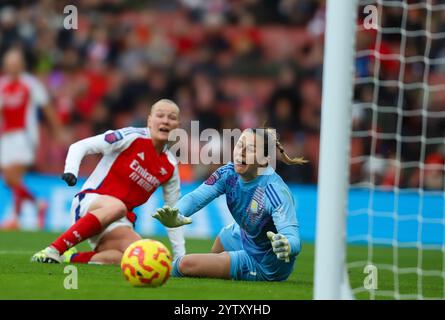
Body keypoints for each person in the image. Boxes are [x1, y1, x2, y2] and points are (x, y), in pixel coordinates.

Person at [31, 99, 186, 264]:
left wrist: (179, 257)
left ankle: (71, 257)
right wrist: (71, 170)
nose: (165, 121)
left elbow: (172, 215)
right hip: (91, 202)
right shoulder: (131, 137)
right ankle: (54, 250)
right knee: (118, 206)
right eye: (160, 115)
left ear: (178, 125)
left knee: (140, 256)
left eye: (172, 117)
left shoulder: (170, 167)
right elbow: (80, 146)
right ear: (149, 120)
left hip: (119, 219)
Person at [153, 128, 305, 281]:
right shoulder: (228, 173)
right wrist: (177, 212)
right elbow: (196, 197)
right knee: (221, 240)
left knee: (185, 264)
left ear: (265, 159)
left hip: (264, 261)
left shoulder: (275, 192)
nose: (242, 152)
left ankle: (155, 269)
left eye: (251, 149)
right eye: (240, 145)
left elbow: (292, 238)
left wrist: (286, 245)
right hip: (245, 235)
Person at [0, 48, 63, 230]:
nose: (12, 66)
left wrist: (57, 131)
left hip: (24, 136)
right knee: (11, 180)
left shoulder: (31, 84)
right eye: (9, 62)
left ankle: (15, 218)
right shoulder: (2, 84)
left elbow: (47, 109)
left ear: (22, 65)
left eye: (15, 62)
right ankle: (37, 205)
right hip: (6, 137)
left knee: (13, 175)